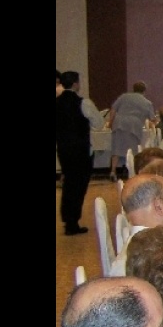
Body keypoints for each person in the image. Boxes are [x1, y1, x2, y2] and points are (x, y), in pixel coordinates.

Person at [56, 70, 101, 235]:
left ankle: (68, 219)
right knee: (79, 185)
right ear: (76, 83)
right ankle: (72, 220)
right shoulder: (84, 103)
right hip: (81, 150)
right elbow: (99, 123)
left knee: (69, 183)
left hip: (63, 149)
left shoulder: (57, 102)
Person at [107, 81, 156, 179]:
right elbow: (152, 118)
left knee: (116, 148)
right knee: (133, 150)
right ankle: (133, 172)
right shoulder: (146, 102)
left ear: (133, 89)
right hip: (134, 125)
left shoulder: (124, 97)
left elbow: (113, 109)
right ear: (144, 91)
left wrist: (110, 123)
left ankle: (113, 171)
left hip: (119, 122)